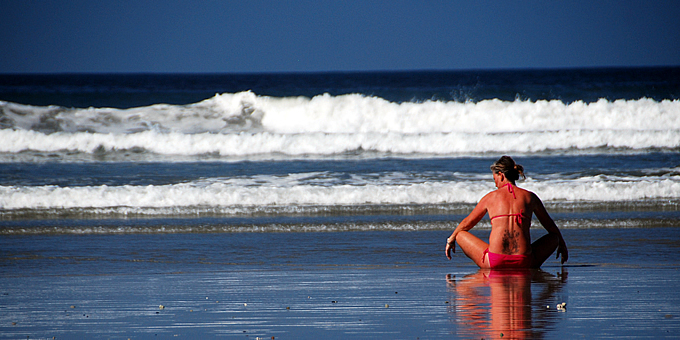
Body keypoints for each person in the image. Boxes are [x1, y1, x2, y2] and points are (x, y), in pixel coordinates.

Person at [445, 156, 568, 269]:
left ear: (501, 175)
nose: (495, 184)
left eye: (495, 179)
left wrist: (451, 240)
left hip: (494, 262)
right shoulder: (530, 197)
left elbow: (467, 223)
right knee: (554, 237)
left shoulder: (490, 197)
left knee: (460, 234)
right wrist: (562, 244)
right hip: (525, 261)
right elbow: (550, 225)